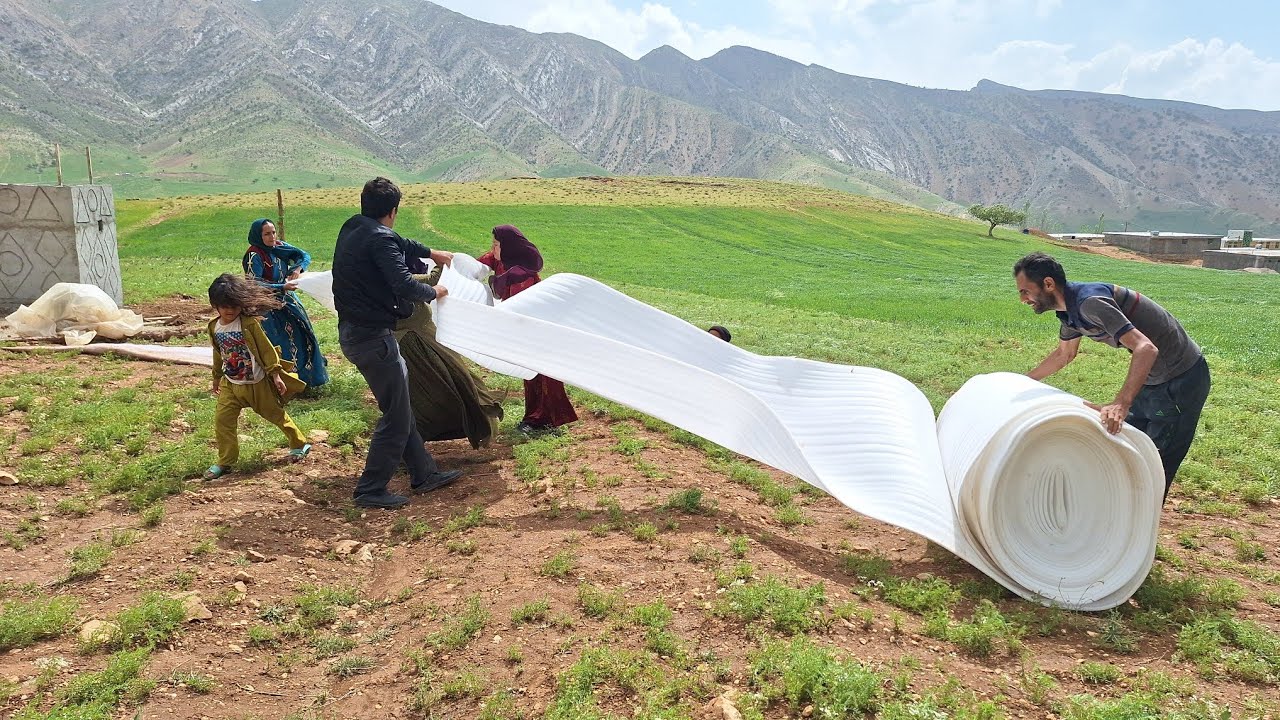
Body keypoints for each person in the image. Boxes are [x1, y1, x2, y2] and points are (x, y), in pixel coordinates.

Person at [1013, 251, 1210, 500]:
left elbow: (1145, 348)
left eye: (1025, 291)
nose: (1022, 299)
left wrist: (1120, 403)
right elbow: (1064, 355)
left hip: (1181, 379)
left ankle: (1140, 529)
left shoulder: (1090, 302)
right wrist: (1019, 382)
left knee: (1155, 465)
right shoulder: (1069, 312)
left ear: (1048, 284)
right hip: (1151, 378)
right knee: (1128, 449)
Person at [332, 177, 463, 510]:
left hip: (353, 332)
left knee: (399, 408)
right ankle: (370, 488)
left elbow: (396, 242)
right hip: (374, 339)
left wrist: (430, 252)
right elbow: (403, 283)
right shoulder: (381, 240)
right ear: (393, 211)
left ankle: (424, 473)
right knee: (396, 416)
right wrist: (434, 291)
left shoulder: (353, 228)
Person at [205, 273, 310, 480]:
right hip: (231, 383)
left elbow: (265, 349)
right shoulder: (213, 327)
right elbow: (219, 353)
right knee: (222, 420)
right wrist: (216, 376)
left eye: (234, 306)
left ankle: (299, 443)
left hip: (257, 382)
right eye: (224, 306)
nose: (229, 310)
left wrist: (276, 374)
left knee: (275, 414)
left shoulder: (249, 324)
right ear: (215, 305)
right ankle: (225, 461)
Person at [478, 224, 578, 436]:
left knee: (542, 375)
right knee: (531, 374)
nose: (493, 249)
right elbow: (485, 260)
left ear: (508, 247)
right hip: (525, 330)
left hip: (536, 329)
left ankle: (541, 419)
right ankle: (535, 417)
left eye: (496, 245)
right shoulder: (506, 260)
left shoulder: (520, 275)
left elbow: (518, 308)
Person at [397, 256, 504, 448]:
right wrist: (441, 260)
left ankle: (410, 447)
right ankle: (409, 448)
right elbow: (433, 282)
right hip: (419, 345)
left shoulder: (375, 281)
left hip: (416, 342)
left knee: (444, 387)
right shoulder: (399, 280)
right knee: (451, 386)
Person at [242, 218, 329, 389]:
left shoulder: (279, 247)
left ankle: (305, 381)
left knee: (303, 336)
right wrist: (282, 286)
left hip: (287, 301)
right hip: (266, 307)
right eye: (267, 234)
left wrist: (297, 269)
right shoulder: (254, 255)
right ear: (258, 236)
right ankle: (281, 384)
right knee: (279, 342)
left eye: (273, 232)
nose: (272, 236)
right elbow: (253, 284)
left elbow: (303, 255)